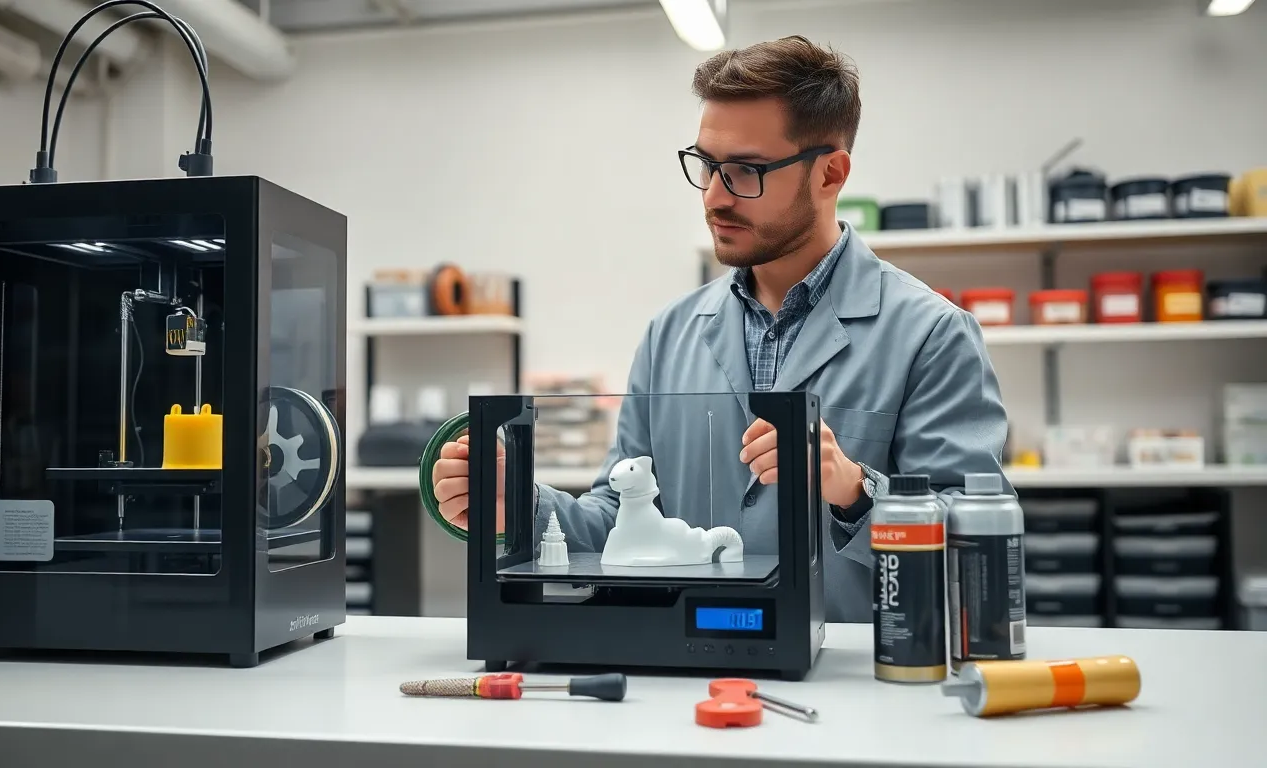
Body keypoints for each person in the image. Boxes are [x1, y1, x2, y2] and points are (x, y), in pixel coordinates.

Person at [430, 35, 1010, 623]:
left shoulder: (931, 335)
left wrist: (856, 489)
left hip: (855, 687)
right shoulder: (670, 334)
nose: (713, 196)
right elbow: (622, 518)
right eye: (707, 165)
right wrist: (519, 507)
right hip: (687, 675)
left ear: (830, 173)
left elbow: (975, 549)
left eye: (745, 172)